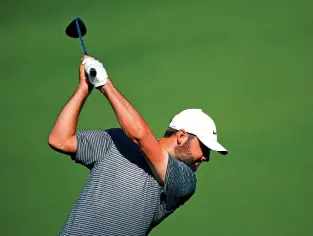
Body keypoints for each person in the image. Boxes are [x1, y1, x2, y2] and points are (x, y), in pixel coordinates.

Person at [48, 56, 228, 236]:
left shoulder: (185, 181)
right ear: (181, 136)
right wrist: (83, 89)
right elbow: (60, 139)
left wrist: (104, 84)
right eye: (204, 148)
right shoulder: (117, 140)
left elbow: (141, 137)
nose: (206, 157)